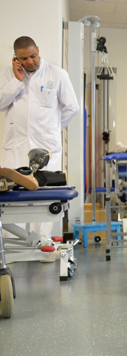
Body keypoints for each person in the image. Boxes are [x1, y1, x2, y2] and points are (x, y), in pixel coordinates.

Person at [0, 36, 79, 236]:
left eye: (32, 56)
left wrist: (52, 129)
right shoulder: (7, 75)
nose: (29, 62)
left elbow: (72, 107)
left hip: (46, 147)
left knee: (45, 197)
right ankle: (15, 247)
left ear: (38, 50)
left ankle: (43, 244)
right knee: (12, 196)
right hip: (15, 146)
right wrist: (17, 82)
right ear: (15, 58)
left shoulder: (57, 74)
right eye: (23, 58)